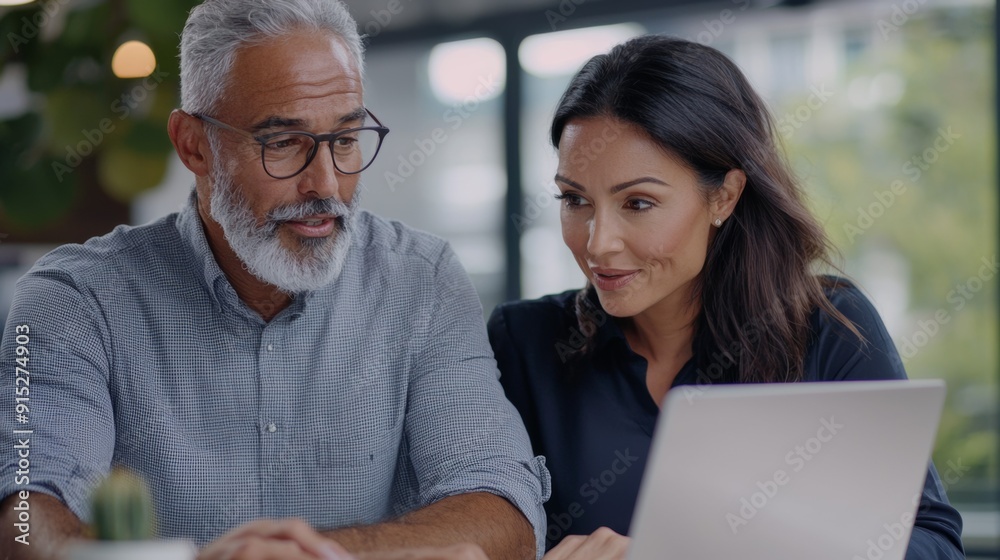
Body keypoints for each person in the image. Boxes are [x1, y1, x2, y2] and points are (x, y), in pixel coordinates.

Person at [0, 1, 550, 559]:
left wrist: (303, 555)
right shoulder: (71, 300)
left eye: (345, 138)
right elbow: (21, 520)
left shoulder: (422, 280)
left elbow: (505, 510)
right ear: (194, 143)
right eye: (282, 143)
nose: (327, 184)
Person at [488, 36, 965, 560]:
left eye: (639, 202)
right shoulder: (523, 343)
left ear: (724, 196)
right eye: (575, 199)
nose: (598, 242)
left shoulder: (829, 327)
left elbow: (932, 543)